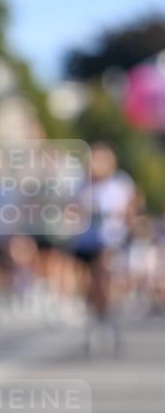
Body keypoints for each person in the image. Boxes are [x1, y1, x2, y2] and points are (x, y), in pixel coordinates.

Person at [71, 141, 138, 354]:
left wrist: (124, 226)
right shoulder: (82, 185)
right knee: (89, 286)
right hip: (85, 242)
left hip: (110, 241)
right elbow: (73, 211)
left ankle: (109, 321)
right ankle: (96, 322)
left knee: (106, 279)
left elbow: (130, 212)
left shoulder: (120, 183)